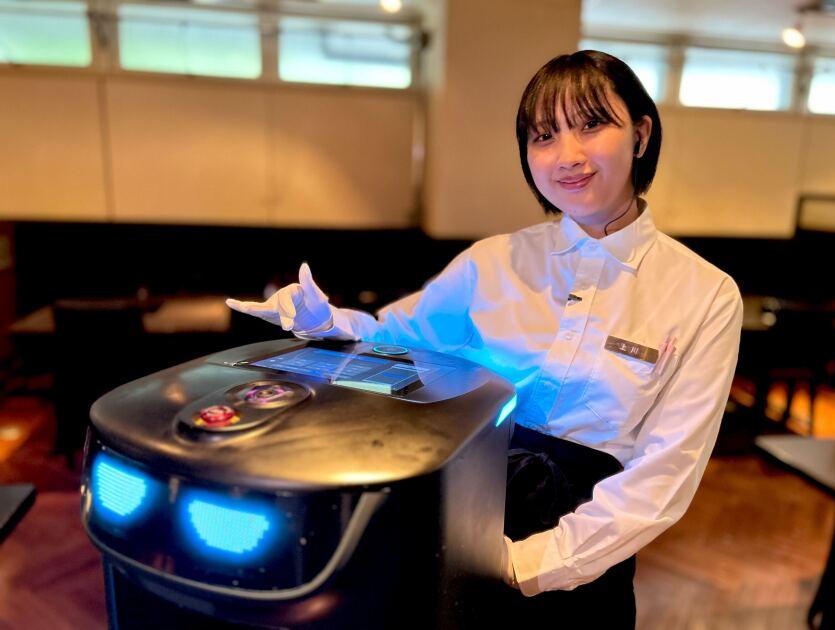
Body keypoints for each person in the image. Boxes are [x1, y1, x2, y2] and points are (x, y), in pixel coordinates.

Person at [227, 50, 743, 628]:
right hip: (460, 513)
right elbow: (396, 342)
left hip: (586, 556)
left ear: (641, 134)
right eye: (544, 135)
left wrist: (527, 562)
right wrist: (324, 323)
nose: (567, 156)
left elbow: (665, 473)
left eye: (592, 124)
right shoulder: (494, 261)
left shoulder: (707, 294)